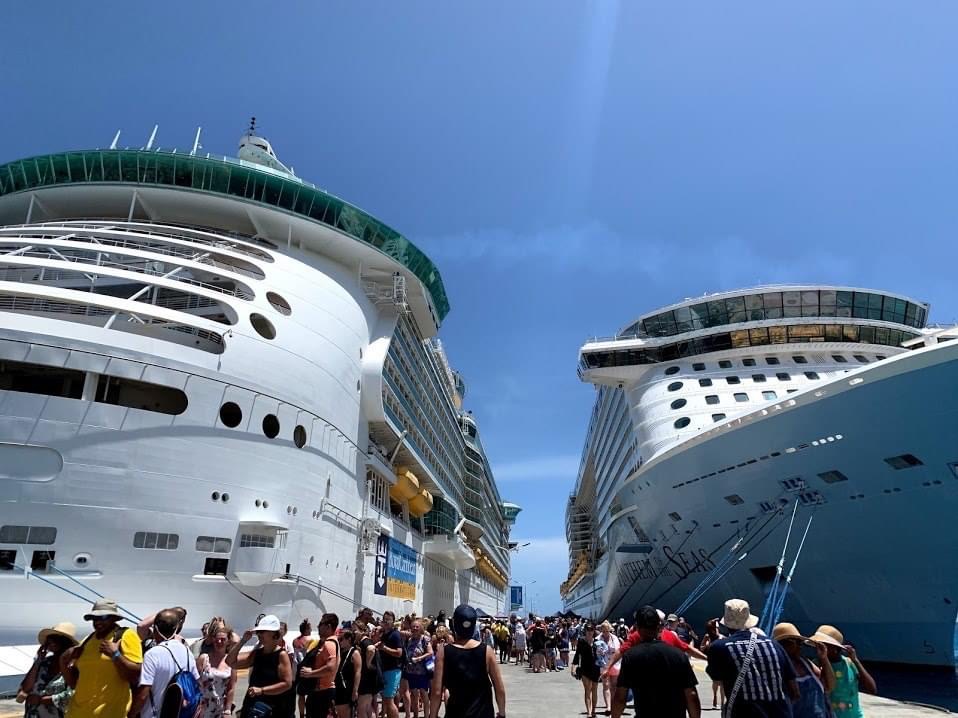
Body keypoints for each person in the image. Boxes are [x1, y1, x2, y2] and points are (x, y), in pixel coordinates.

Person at [705, 600, 798, 717]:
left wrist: (714, 637)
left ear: (726, 623)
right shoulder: (774, 644)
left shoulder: (719, 647)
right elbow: (794, 691)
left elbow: (717, 678)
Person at [612, 606, 700, 718]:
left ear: (637, 628)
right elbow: (691, 695)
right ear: (659, 627)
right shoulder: (678, 655)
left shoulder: (631, 657)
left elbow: (620, 698)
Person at [63, 599, 143, 718]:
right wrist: (64, 658)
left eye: (103, 617)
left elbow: (135, 674)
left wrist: (115, 655)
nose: (98, 622)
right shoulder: (87, 640)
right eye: (94, 618)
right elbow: (74, 683)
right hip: (77, 713)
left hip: (111, 713)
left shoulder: (125, 635)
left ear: (114, 618)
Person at [429, 605, 505, 718]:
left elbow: (436, 692)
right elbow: (499, 688)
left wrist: (433, 715)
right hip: (483, 714)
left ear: (454, 624)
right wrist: (502, 713)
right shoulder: (487, 651)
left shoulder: (444, 652)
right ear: (474, 625)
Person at [130, 609, 201, 718]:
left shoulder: (152, 654)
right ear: (176, 628)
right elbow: (197, 683)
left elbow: (143, 694)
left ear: (155, 629)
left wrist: (131, 714)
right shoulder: (186, 651)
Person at [226, 614, 293, 718]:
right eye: (258, 632)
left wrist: (262, 690)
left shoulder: (281, 655)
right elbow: (230, 662)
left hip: (271, 708)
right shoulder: (257, 654)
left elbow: (287, 683)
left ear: (273, 634)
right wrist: (243, 641)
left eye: (262, 631)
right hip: (252, 706)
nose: (259, 634)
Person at [810, 625, 876, 718]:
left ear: (835, 649)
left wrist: (855, 660)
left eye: (824, 646)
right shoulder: (816, 665)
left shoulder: (849, 664)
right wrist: (823, 660)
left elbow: (872, 689)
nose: (819, 649)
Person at [16, 622, 77, 718]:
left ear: (65, 643)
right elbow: (25, 688)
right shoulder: (44, 663)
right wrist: (38, 661)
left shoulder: (73, 666)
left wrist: (41, 700)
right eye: (49, 641)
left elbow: (73, 694)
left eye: (55, 640)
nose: (51, 644)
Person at [772, 623, 833, 718]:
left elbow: (829, 686)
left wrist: (824, 659)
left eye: (800, 642)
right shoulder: (777, 667)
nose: (800, 646)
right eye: (796, 642)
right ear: (783, 644)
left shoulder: (805, 663)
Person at [300, 613, 339, 718]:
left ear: (328, 626)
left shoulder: (329, 644)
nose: (318, 627)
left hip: (322, 693)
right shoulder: (330, 642)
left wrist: (310, 673)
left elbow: (330, 667)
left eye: (320, 624)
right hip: (321, 693)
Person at [197, 623, 237, 718]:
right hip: (201, 707)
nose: (219, 641)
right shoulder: (203, 658)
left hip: (219, 708)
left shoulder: (231, 662)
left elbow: (231, 688)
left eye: (223, 639)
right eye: (217, 639)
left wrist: (227, 710)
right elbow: (194, 681)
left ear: (228, 641)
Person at [402, 619, 433, 718]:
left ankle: (426, 715)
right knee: (414, 694)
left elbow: (430, 653)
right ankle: (415, 715)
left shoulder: (425, 639)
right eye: (413, 627)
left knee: (424, 694)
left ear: (421, 628)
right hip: (411, 671)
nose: (415, 628)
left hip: (422, 672)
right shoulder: (410, 639)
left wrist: (419, 658)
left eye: (417, 627)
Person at [378, 611, 405, 718]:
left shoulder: (395, 634)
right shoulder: (384, 634)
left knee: (388, 700)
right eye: (385, 619)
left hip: (393, 670)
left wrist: (384, 648)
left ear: (393, 621)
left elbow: (399, 653)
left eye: (388, 619)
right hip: (385, 669)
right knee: (386, 699)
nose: (386, 621)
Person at [571, 624, 600, 718]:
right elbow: (577, 654)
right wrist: (573, 667)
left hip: (596, 668)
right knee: (587, 690)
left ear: (594, 631)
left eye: (591, 630)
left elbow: (602, 657)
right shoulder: (581, 641)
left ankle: (594, 710)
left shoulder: (597, 642)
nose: (589, 632)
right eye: (588, 630)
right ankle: (589, 712)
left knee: (594, 690)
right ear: (585, 631)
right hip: (585, 668)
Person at [357, 626, 384, 718]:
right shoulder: (368, 642)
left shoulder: (366, 642)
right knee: (371, 704)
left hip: (369, 678)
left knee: (366, 706)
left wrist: (368, 664)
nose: (373, 631)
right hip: (372, 676)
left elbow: (371, 649)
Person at [335, 629, 362, 718]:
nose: (339, 642)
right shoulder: (341, 652)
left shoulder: (354, 653)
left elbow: (357, 672)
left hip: (347, 688)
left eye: (341, 639)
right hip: (339, 687)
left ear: (349, 639)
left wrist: (355, 691)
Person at [700, 619, 724, 709]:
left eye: (717, 628)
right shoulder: (707, 636)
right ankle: (715, 696)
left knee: (722, 683)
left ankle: (722, 703)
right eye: (714, 628)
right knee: (716, 682)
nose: (716, 629)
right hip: (712, 662)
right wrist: (707, 646)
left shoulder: (722, 637)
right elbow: (701, 648)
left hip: (721, 662)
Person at [597, 622, 620, 715]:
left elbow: (618, 651)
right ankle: (608, 707)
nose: (606, 633)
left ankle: (613, 704)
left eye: (607, 631)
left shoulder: (615, 638)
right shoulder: (598, 639)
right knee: (606, 685)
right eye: (604, 631)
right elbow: (597, 654)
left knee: (614, 686)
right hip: (604, 664)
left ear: (610, 630)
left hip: (614, 664)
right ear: (601, 630)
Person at [292, 620, 312, 718]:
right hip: (308, 668)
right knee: (311, 694)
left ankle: (301, 715)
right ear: (307, 629)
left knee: (301, 695)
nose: (311, 630)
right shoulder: (310, 640)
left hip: (297, 669)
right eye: (310, 628)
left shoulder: (295, 640)